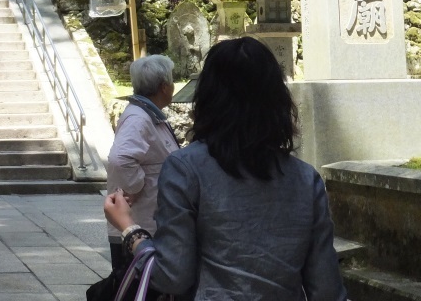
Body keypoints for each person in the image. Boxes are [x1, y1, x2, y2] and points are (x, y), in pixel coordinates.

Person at [104, 37, 347, 300]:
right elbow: (326, 288)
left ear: (208, 97)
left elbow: (172, 276)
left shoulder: (186, 169)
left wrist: (129, 228)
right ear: (277, 100)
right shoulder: (305, 179)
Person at [105, 54, 180, 282]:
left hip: (147, 223)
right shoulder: (139, 118)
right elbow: (120, 159)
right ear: (164, 87)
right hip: (140, 226)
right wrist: (136, 186)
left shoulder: (148, 114)